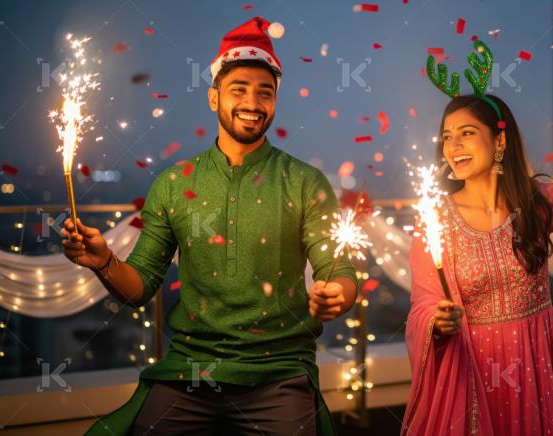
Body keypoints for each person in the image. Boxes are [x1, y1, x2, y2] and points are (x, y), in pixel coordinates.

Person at [61, 17, 358, 435]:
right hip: (190, 371)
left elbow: (338, 272)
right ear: (214, 98)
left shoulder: (305, 181)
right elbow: (141, 285)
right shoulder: (174, 183)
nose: (253, 102)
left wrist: (336, 296)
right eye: (239, 90)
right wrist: (103, 262)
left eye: (265, 93)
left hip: (279, 372)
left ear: (275, 102)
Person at [403, 40, 553, 435]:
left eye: (467, 133)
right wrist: (437, 320)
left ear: (500, 141)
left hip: (535, 366)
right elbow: (423, 304)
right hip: (471, 371)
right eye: (447, 136)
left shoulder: (537, 203)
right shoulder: (434, 219)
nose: (453, 146)